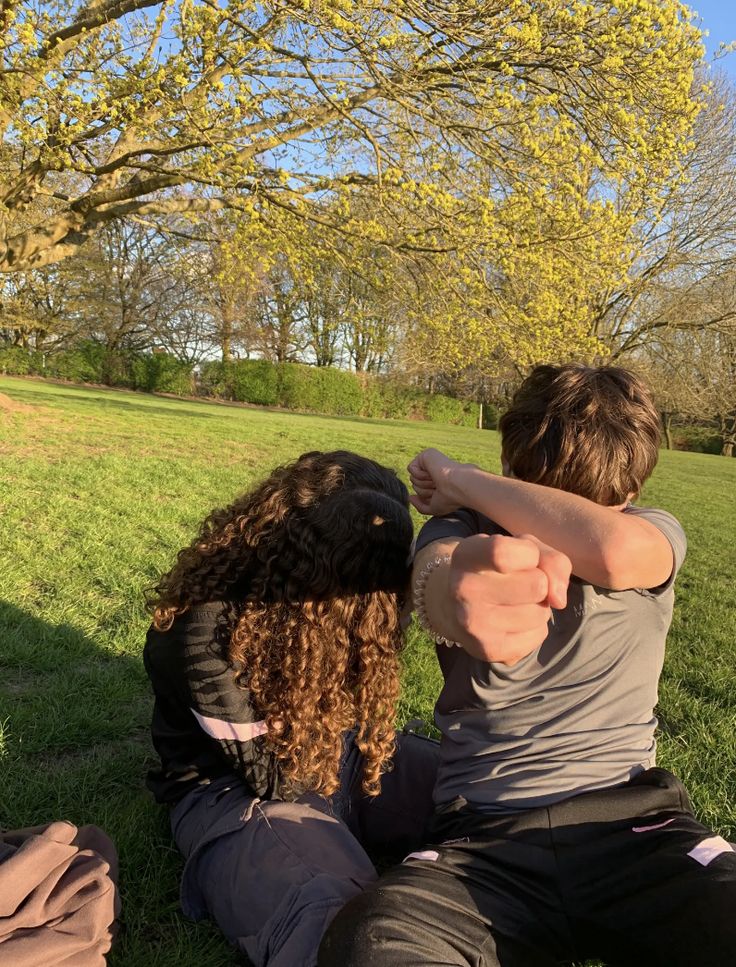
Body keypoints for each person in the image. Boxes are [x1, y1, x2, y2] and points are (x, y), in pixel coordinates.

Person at [318, 365, 736, 967]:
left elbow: (616, 554)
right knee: (372, 943)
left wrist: (461, 476)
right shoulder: (458, 528)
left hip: (636, 827)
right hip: (480, 844)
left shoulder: (650, 533)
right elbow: (438, 577)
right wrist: (450, 597)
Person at [143, 449, 566, 967]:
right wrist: (332, 829)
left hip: (332, 752)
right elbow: (274, 778)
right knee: (338, 920)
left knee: (496, 788)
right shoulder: (200, 631)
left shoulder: (346, 613)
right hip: (232, 791)